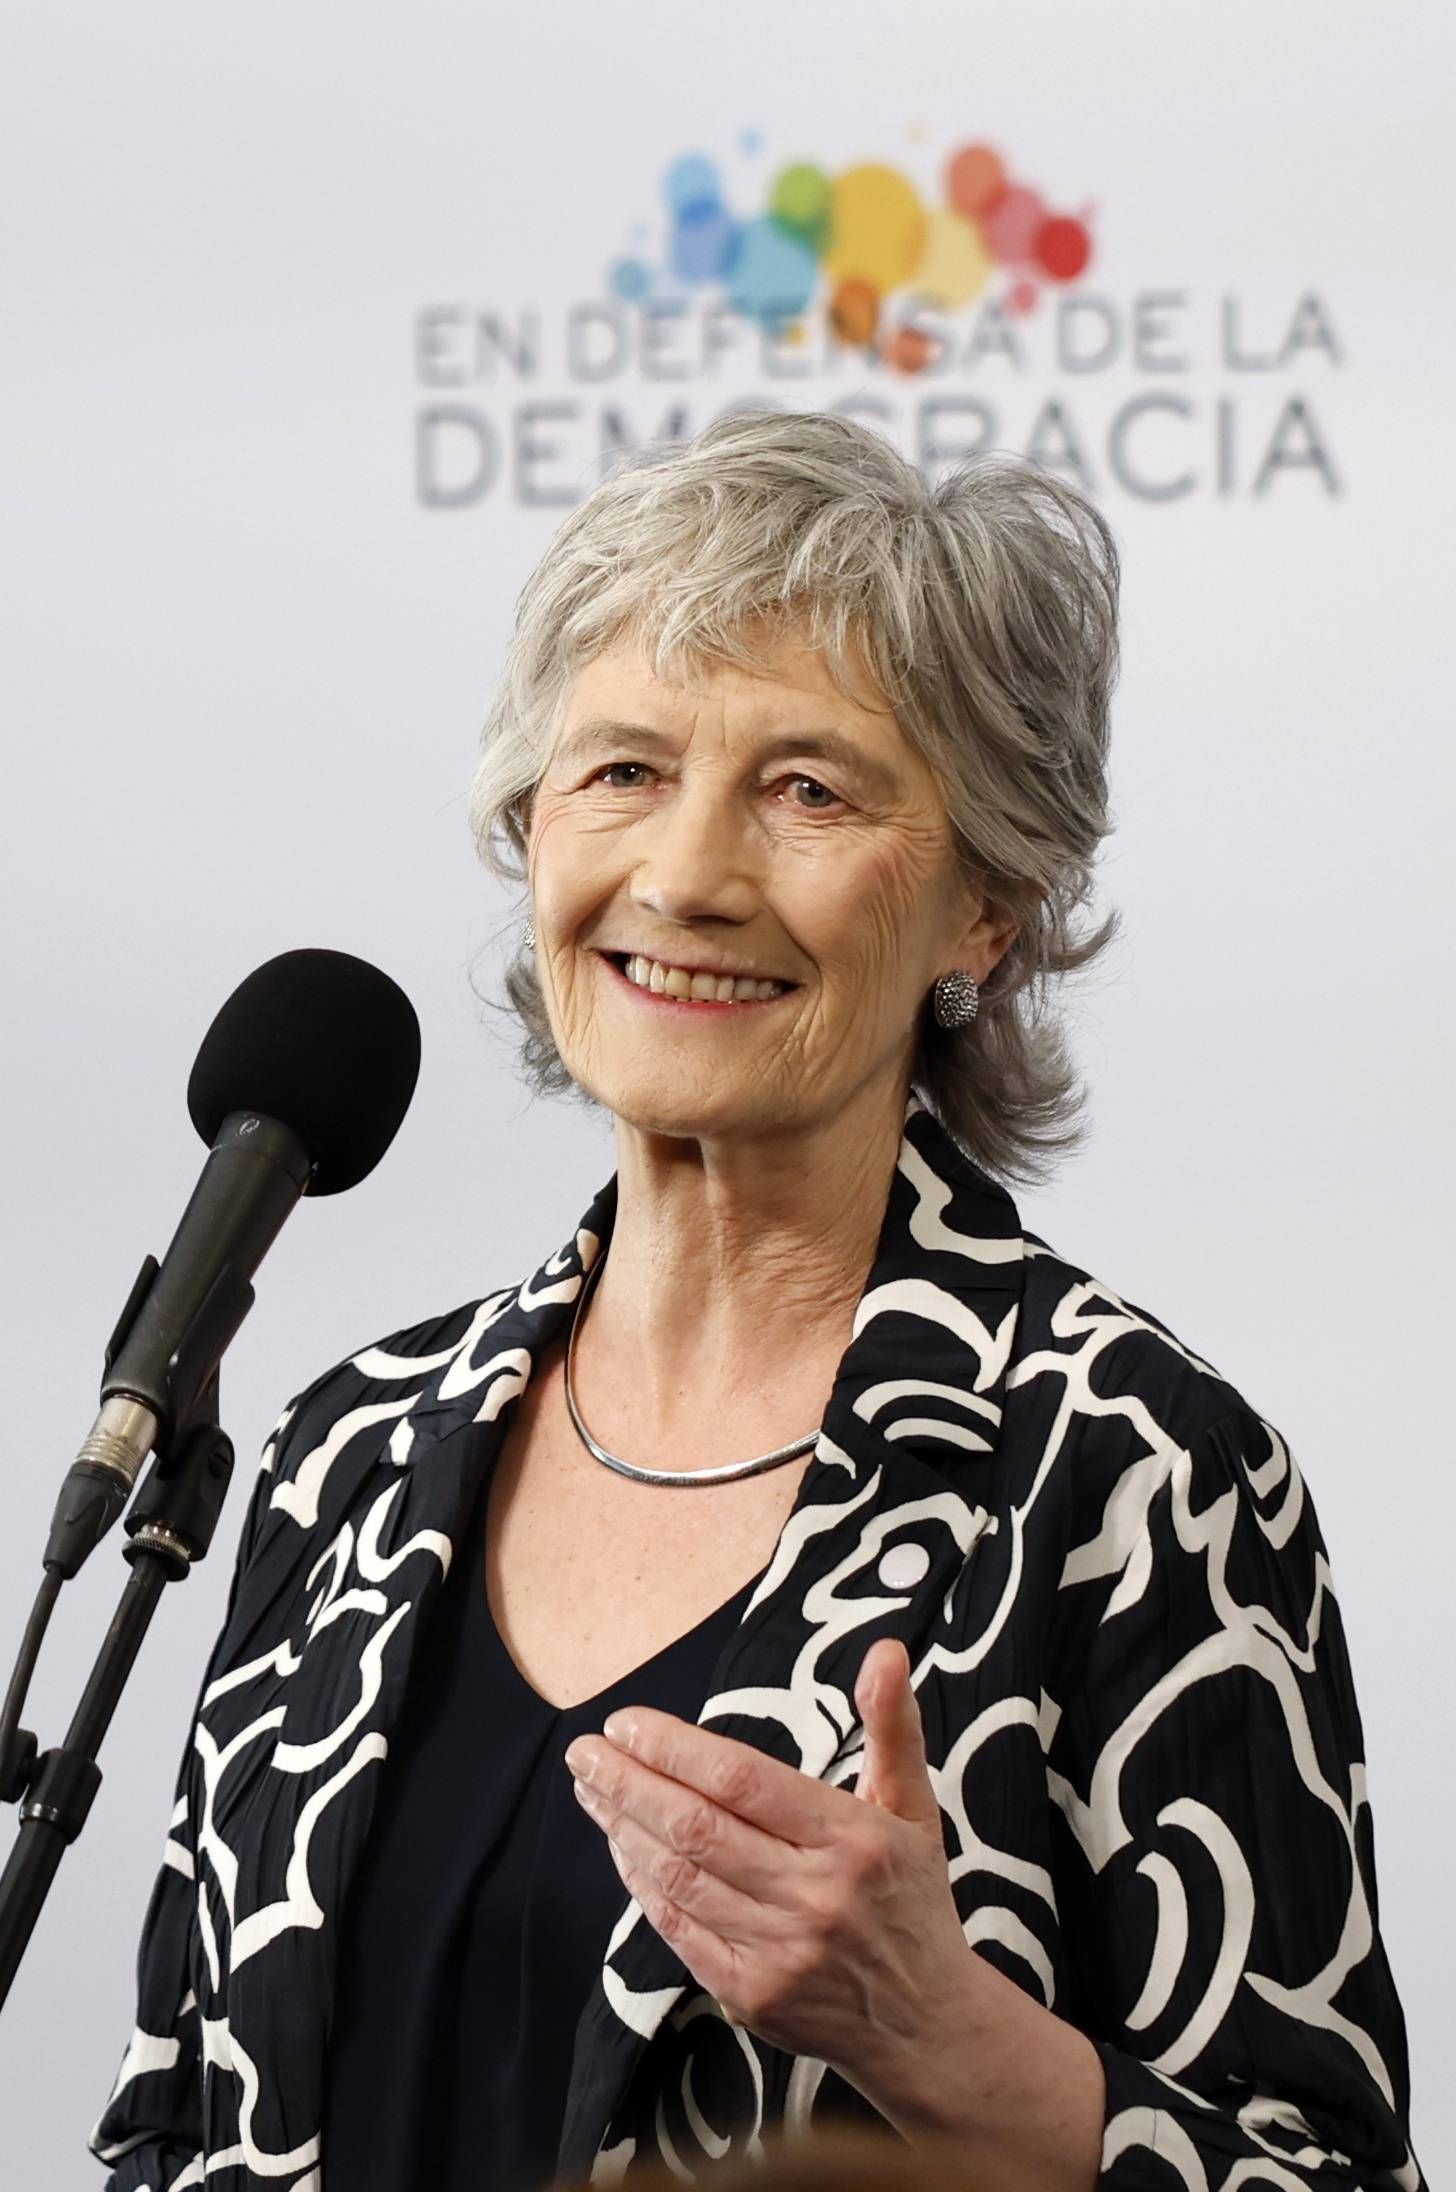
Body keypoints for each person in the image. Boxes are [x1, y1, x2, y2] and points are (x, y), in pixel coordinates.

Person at [90, 411, 1423, 2192]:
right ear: (533, 826)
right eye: (623, 770)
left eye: (809, 790)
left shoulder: (1133, 1469)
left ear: (988, 907)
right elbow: (176, 2120)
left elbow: (1327, 2170)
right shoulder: (355, 1451)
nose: (687, 877)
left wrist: (945, 2042)